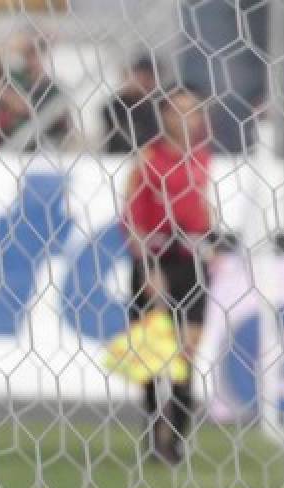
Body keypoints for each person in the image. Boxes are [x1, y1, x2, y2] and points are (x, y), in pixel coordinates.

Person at [122, 87, 214, 464]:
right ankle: (153, 431)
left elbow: (201, 209)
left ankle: (175, 439)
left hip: (191, 263)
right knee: (151, 357)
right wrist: (147, 268)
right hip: (155, 262)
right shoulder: (147, 160)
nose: (185, 118)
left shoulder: (202, 158)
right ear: (164, 116)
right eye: (177, 111)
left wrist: (211, 243)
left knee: (186, 352)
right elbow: (131, 219)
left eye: (192, 111)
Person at [101, 56, 160, 154]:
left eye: (147, 77)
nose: (142, 82)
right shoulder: (114, 107)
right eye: (138, 76)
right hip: (119, 159)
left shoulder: (160, 105)